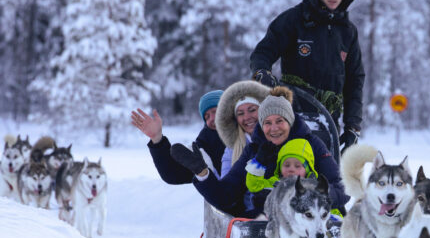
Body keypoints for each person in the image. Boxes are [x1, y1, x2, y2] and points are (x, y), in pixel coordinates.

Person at [170, 86, 347, 219]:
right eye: (267, 123)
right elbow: (226, 195)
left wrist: (304, 193)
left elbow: (341, 189)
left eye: (280, 121)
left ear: (290, 121)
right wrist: (203, 174)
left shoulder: (311, 144)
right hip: (269, 221)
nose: (274, 128)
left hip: (313, 218)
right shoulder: (255, 150)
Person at [249, 0, 365, 151]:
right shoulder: (294, 20)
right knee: (290, 173)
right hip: (292, 117)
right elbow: (263, 52)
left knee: (327, 179)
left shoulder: (348, 32)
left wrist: (353, 126)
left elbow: (355, 81)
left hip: (329, 123)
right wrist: (262, 72)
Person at [131, 91, 226, 185]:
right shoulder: (203, 148)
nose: (212, 118)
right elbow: (172, 174)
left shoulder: (241, 137)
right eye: (207, 116)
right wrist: (157, 138)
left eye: (215, 112)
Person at [212, 79, 269, 176]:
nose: (247, 117)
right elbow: (226, 186)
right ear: (235, 119)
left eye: (252, 110)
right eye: (240, 113)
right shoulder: (231, 150)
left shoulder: (278, 139)